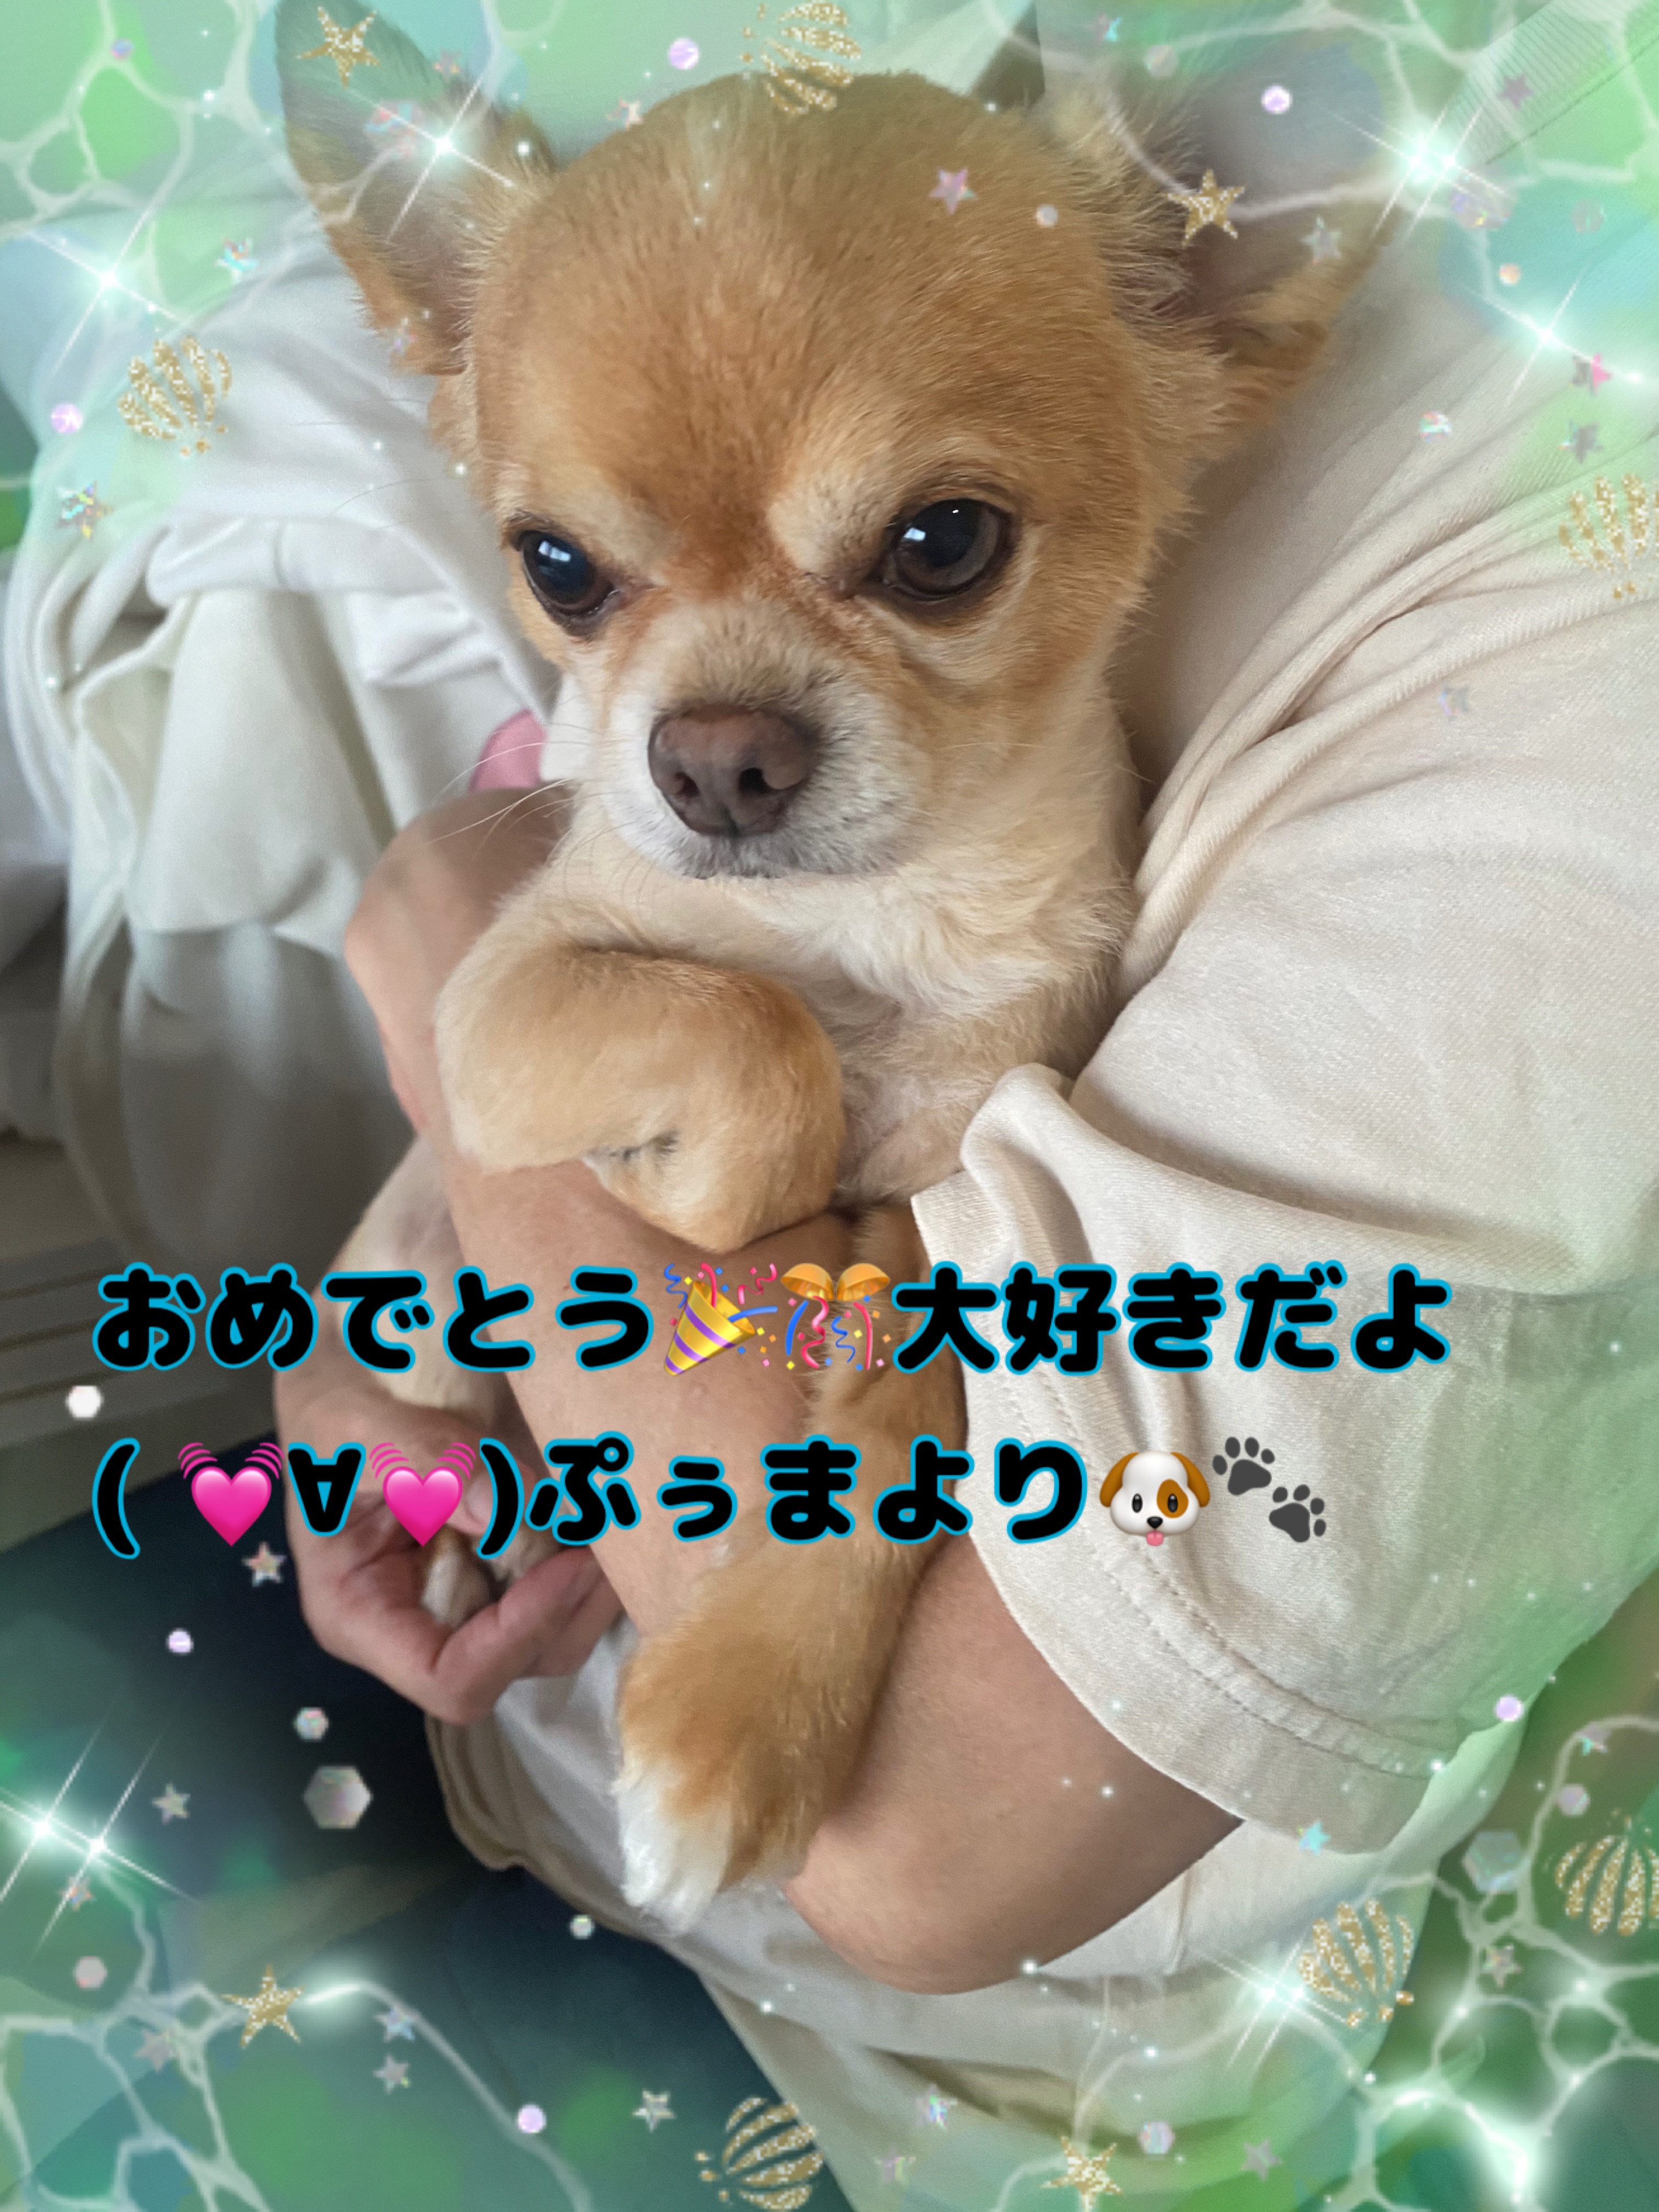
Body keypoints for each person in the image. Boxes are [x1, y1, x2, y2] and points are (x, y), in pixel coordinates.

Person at [273, 23, 1659, 2206]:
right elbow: (538, 1067)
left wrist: (458, 963)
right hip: (488, 1696)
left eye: (926, 545)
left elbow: (932, 1820)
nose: (712, 737)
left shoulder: (1559, 547)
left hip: (1039, 2009)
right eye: (576, 576)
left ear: (1216, 303)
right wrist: (406, 1319)